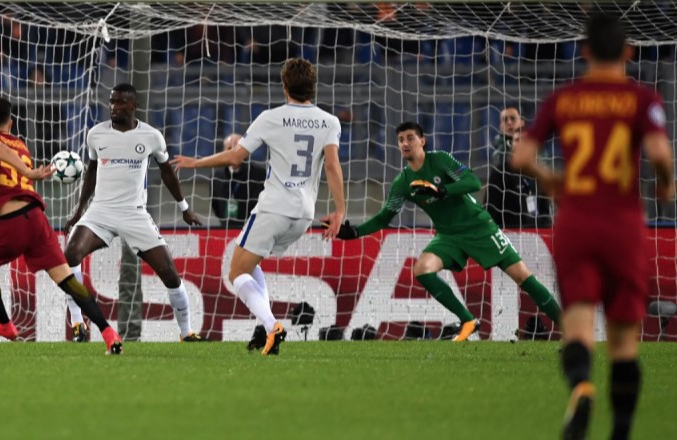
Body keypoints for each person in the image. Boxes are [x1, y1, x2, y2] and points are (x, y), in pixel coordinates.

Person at [511, 13, 675, 440]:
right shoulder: (641, 98)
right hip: (623, 224)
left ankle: (582, 386)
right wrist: (665, 183)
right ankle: (620, 431)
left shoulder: (564, 98)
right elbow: (660, 153)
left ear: (584, 51)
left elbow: (521, 157)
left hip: (576, 222)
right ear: (628, 52)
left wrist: (551, 180)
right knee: (623, 343)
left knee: (579, 325)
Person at [171, 57, 346, 355]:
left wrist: (195, 162)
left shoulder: (271, 117)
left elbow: (235, 157)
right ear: (313, 87)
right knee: (250, 264)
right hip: (304, 214)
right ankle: (266, 329)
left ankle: (271, 325)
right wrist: (340, 210)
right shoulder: (330, 122)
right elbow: (332, 165)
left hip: (273, 208)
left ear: (284, 86)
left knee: (236, 273)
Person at [334, 121, 562, 342]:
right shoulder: (402, 183)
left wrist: (442, 190)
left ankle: (568, 328)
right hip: (448, 235)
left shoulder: (440, 160)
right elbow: (384, 217)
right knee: (422, 270)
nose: (405, 143)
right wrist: (354, 233)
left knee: (522, 276)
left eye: (410, 138)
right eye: (401, 140)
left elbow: (473, 182)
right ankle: (468, 320)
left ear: (422, 141)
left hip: (478, 227)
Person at [0, 96, 123, 355]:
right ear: (11, 122)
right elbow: (10, 194)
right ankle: (109, 333)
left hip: (10, 225)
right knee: (66, 279)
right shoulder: (21, 146)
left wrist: (29, 173)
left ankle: (6, 325)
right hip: (36, 220)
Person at [63, 83, 207, 343]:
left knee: (170, 273)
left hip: (134, 213)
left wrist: (184, 208)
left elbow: (166, 172)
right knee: (71, 254)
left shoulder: (151, 136)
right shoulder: (96, 134)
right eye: (111, 101)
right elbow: (92, 172)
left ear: (133, 105)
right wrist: (79, 211)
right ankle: (77, 322)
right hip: (101, 211)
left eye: (120, 102)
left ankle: (186, 332)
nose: (114, 107)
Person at [211, 133, 267, 228]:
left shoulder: (260, 174)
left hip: (253, 228)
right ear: (223, 151)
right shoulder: (217, 176)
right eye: (229, 148)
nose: (233, 152)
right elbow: (215, 205)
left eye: (237, 148)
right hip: (226, 229)